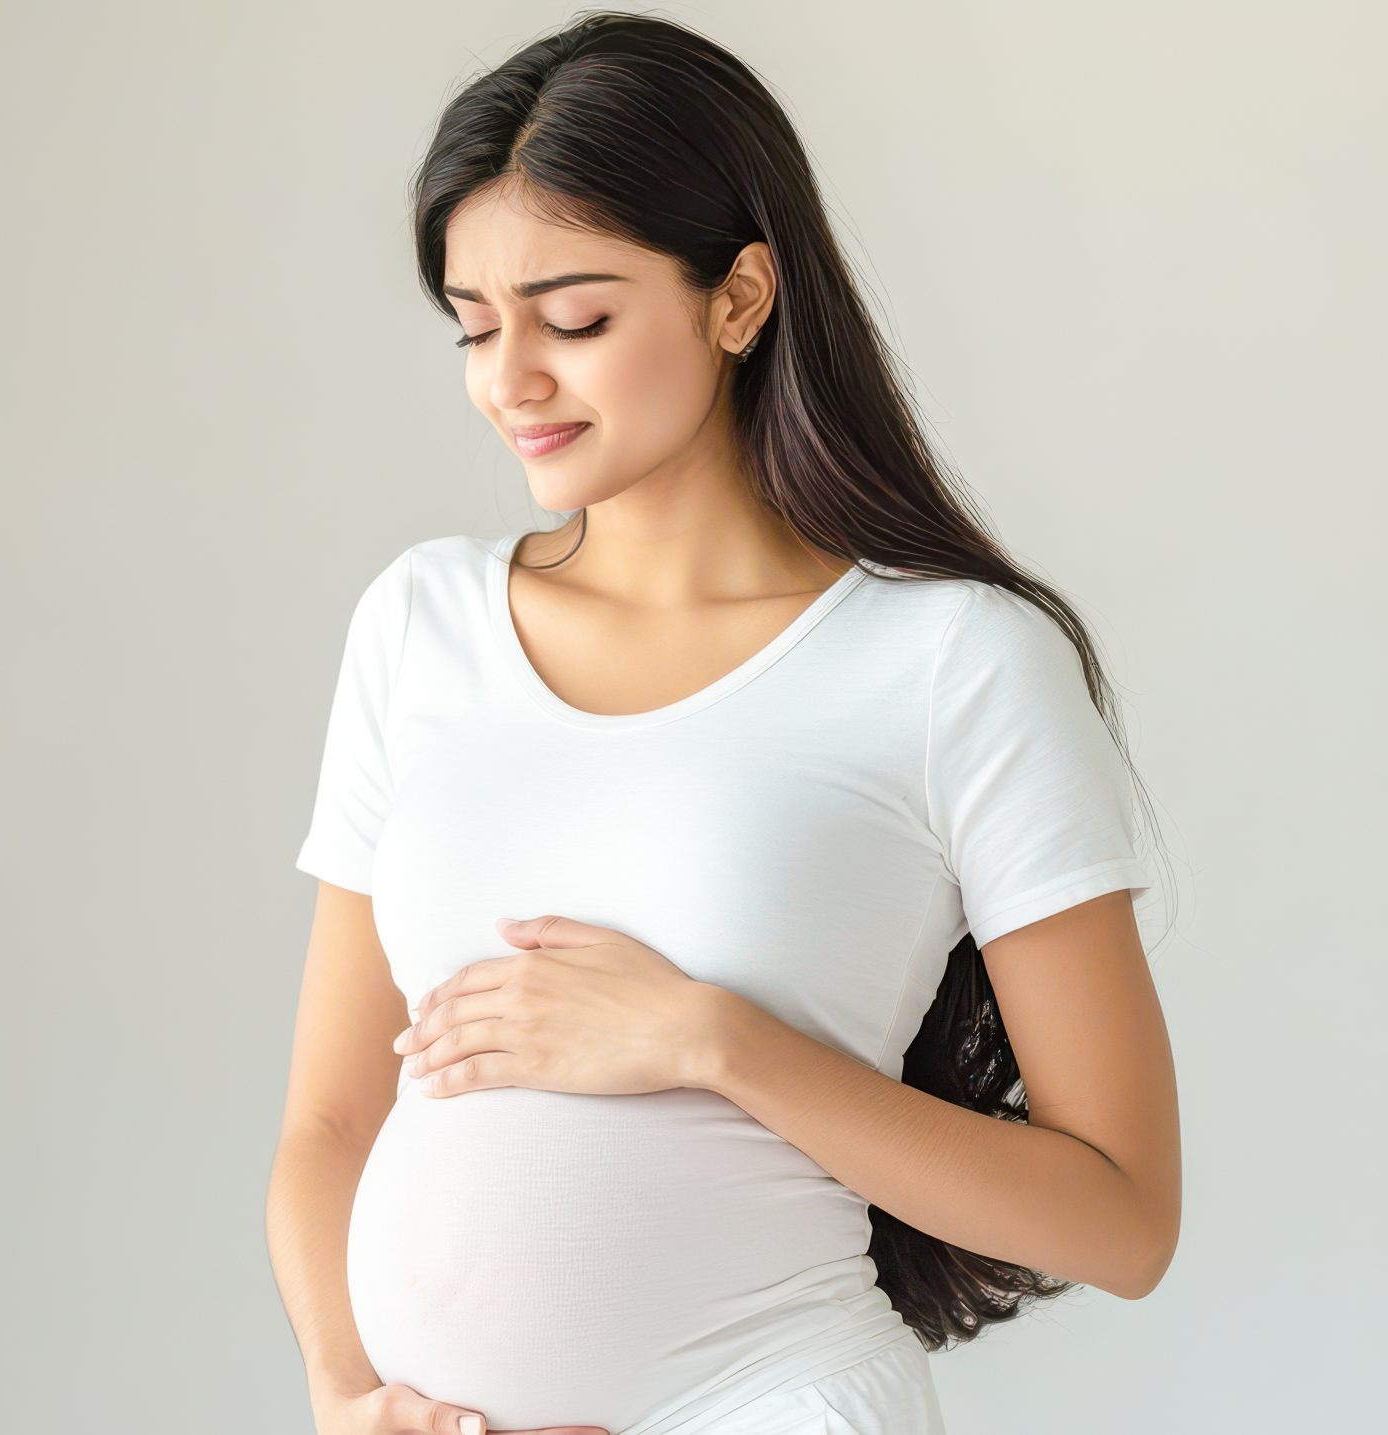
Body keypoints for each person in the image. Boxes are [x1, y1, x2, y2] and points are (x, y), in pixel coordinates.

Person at [265, 14, 1181, 1435]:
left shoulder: (951, 665)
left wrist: (711, 1041)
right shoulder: (418, 627)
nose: (510, 379)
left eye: (574, 319)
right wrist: (345, 1395)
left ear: (739, 297)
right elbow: (329, 1124)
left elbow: (1123, 1221)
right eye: (473, 324)